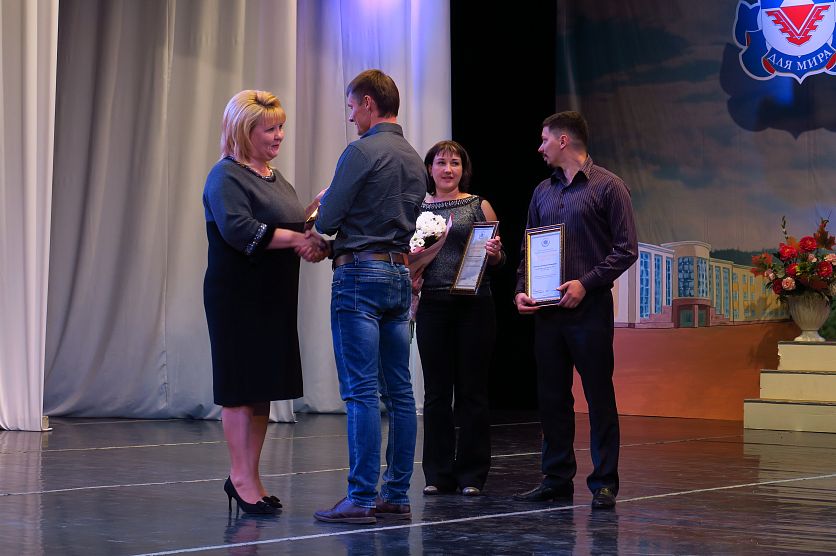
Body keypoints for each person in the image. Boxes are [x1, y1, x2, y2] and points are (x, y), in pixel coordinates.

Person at [203, 90, 326, 515]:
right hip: (239, 297)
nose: (279, 136)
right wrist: (300, 239)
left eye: (281, 127)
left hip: (273, 296)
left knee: (262, 390)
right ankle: (240, 478)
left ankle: (249, 476)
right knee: (241, 389)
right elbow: (241, 230)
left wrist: (317, 214)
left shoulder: (275, 176)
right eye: (270, 129)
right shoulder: (226, 176)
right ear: (244, 131)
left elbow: (287, 223)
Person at [313, 69, 426, 525]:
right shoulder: (415, 158)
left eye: (351, 107)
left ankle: (360, 498)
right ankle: (395, 494)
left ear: (367, 104)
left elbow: (328, 220)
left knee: (360, 391)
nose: (350, 117)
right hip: (398, 275)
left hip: (360, 275)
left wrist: (323, 206)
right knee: (400, 391)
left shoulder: (361, 151)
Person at [513, 111, 637, 510]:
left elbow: (626, 250)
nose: (540, 147)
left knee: (598, 395)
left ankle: (604, 482)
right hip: (548, 311)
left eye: (544, 139)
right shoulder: (542, 192)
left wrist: (586, 283)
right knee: (552, 397)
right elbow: (529, 248)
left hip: (589, 309)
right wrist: (521, 289)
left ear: (563, 140)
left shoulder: (608, 186)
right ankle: (556, 478)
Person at [414, 140, 504, 497]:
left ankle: (472, 475)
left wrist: (495, 254)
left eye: (455, 163)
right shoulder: (417, 208)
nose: (448, 169)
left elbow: (499, 258)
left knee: (472, 392)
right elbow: (409, 255)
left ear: (463, 169)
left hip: (474, 306)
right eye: (441, 162)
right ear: (430, 168)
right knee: (436, 393)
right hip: (433, 306)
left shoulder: (479, 205)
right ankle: (437, 474)